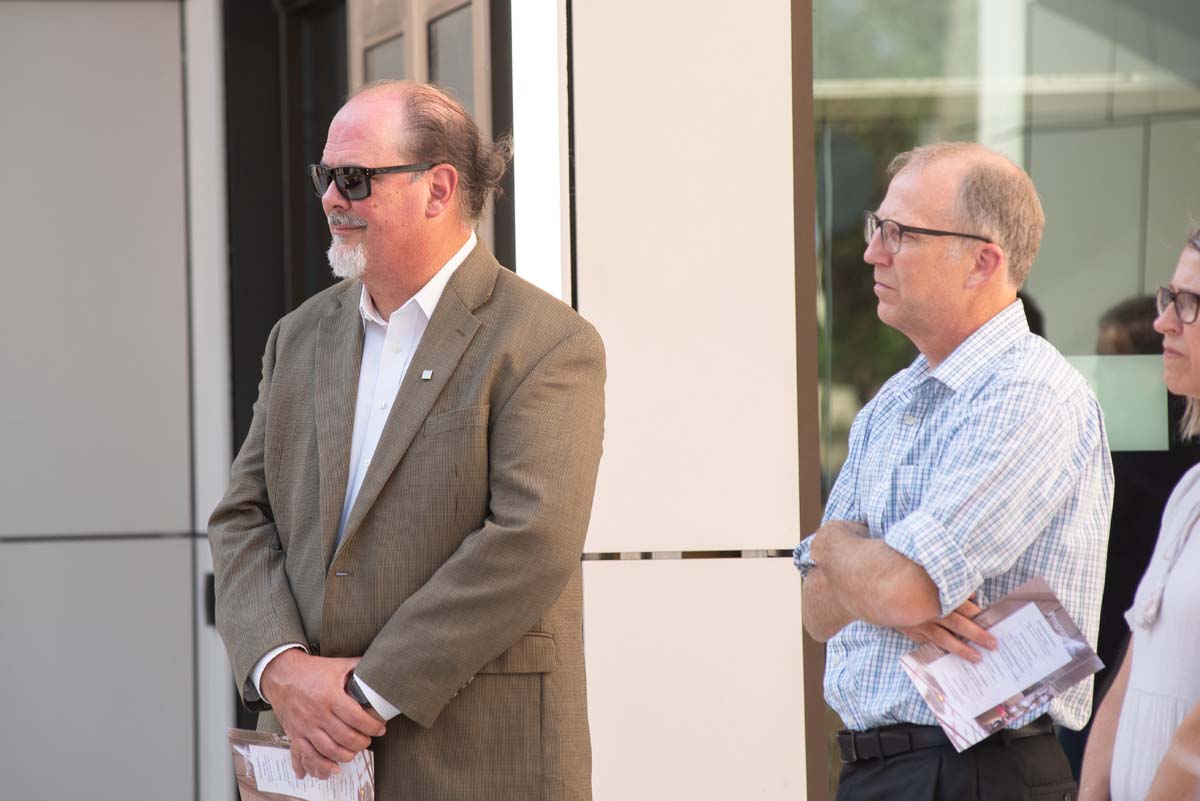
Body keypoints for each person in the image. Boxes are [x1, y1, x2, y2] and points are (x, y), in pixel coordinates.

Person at [209, 80, 605, 801]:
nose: (331, 197)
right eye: (324, 176)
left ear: (439, 188)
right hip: (315, 767)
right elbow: (242, 518)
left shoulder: (546, 341)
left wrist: (363, 693)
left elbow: (530, 540)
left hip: (479, 761)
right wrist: (284, 670)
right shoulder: (296, 338)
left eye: (355, 178)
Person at [794, 142, 1113, 801]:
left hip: (973, 769)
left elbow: (909, 590)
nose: (871, 252)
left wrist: (837, 551)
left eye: (900, 233)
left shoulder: (1031, 392)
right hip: (884, 769)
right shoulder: (893, 400)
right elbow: (817, 608)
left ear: (983, 261)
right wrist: (849, 563)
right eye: (876, 227)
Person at [1079, 229, 1200, 801]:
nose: (1166, 323)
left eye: (1191, 304)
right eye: (1168, 298)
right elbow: (1133, 669)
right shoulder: (1190, 490)